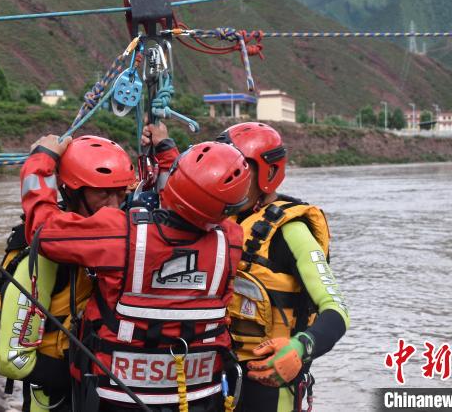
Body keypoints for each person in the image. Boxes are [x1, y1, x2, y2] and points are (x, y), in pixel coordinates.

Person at [20, 134, 251, 411]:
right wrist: (166, 149)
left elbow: (42, 231)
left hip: (115, 398)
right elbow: (192, 203)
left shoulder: (120, 233)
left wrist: (40, 160)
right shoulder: (232, 240)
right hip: (200, 397)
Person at [215, 122, 350, 412]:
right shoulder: (214, 222)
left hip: (268, 388)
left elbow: (335, 309)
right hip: (214, 376)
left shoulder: (292, 232)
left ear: (268, 173)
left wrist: (301, 347)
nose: (228, 177)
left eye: (239, 169)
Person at [0, 135, 137, 411]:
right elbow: (12, 359)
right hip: (55, 399)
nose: (115, 204)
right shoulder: (43, 258)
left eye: (121, 193)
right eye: (103, 193)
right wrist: (85, 375)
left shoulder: (121, 239)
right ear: (71, 191)